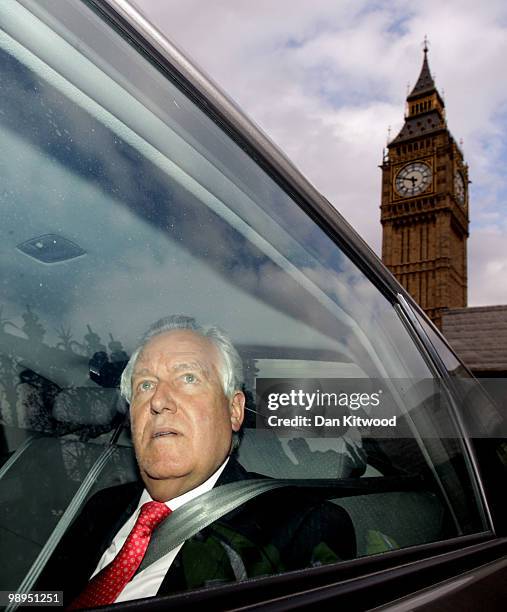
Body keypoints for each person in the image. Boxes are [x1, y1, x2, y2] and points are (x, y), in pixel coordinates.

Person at [36, 315, 356, 606]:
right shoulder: (102, 507)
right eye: (145, 385)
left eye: (188, 378)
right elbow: (44, 599)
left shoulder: (302, 528)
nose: (159, 401)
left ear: (234, 409)